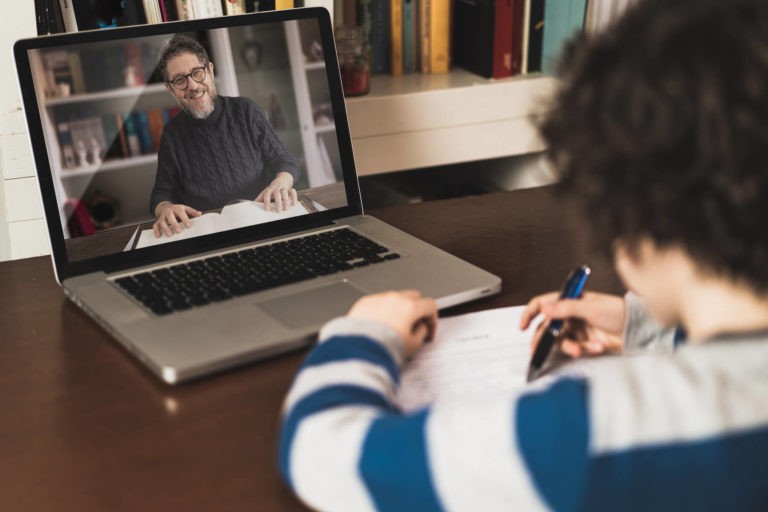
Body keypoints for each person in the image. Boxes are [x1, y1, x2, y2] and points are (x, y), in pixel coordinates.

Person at [278, 0, 768, 510]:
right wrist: (640, 323)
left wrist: (365, 334)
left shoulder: (597, 434)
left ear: (638, 224)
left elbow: (327, 453)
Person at [149, 35, 300, 238]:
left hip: (265, 223)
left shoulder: (246, 110)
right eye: (180, 80)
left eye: (197, 73)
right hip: (209, 236)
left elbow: (285, 161)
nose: (192, 85)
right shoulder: (172, 134)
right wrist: (165, 208)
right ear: (171, 89)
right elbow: (161, 193)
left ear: (210, 70)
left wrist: (280, 182)